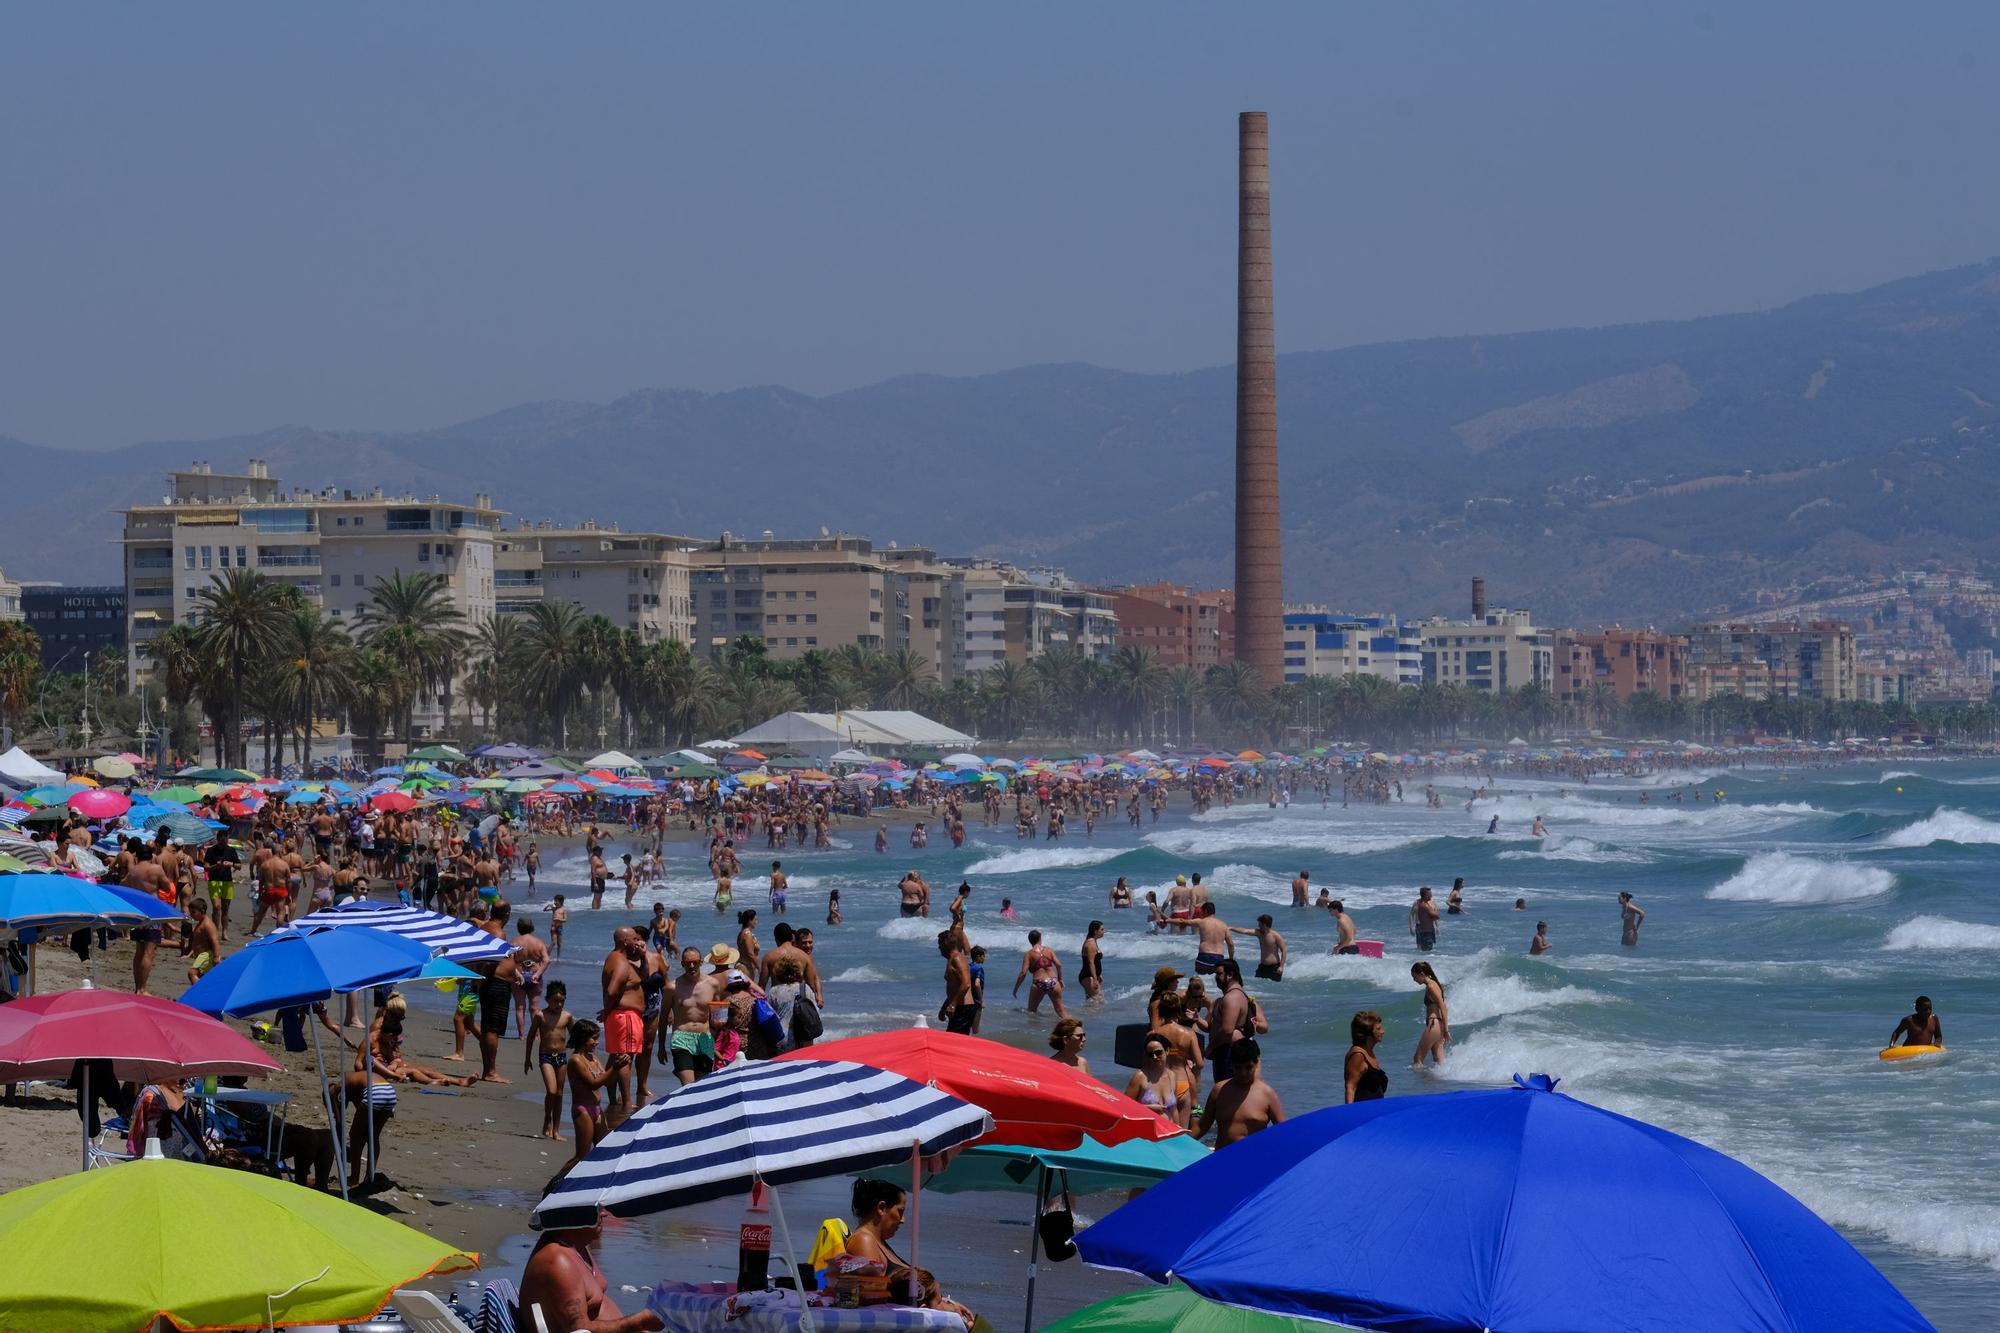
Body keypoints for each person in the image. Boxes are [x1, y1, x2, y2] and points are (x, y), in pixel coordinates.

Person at [519, 1203, 664, 1333]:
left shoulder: (576, 1246)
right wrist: (637, 1323)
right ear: (572, 1210)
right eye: (595, 1207)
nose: (604, 1213)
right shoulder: (558, 1261)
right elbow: (578, 1331)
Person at [1193, 1037, 1284, 1148]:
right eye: (1238, 1068)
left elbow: (1283, 1132)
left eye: (1248, 1067)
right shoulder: (1219, 1090)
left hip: (1254, 1159)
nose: (1243, 1073)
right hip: (1223, 1157)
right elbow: (1202, 1126)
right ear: (1231, 1065)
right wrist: (1179, 1145)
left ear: (1256, 1063)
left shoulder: (1267, 1095)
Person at [599, 928, 648, 1114]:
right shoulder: (620, 962)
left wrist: (643, 956)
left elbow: (642, 977)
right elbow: (612, 991)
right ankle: (627, 1101)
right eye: (635, 938)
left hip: (621, 1016)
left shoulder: (621, 959)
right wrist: (607, 1010)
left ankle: (613, 1098)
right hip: (625, 1016)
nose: (638, 941)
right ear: (625, 941)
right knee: (624, 1058)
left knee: (616, 1057)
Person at [525, 980, 576, 1140]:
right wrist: (527, 1058)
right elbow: (531, 1036)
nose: (559, 1004)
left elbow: (575, 1037)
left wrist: (577, 1056)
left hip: (561, 1057)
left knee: (559, 1094)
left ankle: (556, 1129)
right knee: (552, 1091)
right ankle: (548, 1117)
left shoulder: (567, 1017)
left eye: (562, 1001)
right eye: (555, 1001)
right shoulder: (541, 1015)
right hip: (545, 1056)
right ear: (547, 1000)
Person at [1206, 959, 1267, 1085]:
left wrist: (1210, 1048)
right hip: (1230, 1050)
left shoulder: (1232, 997)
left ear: (1230, 974)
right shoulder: (1241, 996)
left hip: (1228, 1051)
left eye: (1219, 974)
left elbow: (1227, 1030)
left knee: (1226, 1093)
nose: (1216, 978)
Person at [666, 947, 720, 1084]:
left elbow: (718, 1016)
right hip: (681, 1038)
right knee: (688, 1088)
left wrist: (717, 1040)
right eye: (688, 963)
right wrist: (661, 1047)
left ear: (701, 962)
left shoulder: (712, 984)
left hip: (705, 1038)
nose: (691, 966)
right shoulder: (672, 987)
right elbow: (662, 1018)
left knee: (703, 1087)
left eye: (695, 962)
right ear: (682, 964)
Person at [1124, 1032, 1192, 1130]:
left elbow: (1174, 1110)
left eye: (1158, 1052)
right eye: (1150, 1054)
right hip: (1146, 1134)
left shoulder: (1172, 1076)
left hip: (1168, 1133)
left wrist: (1178, 1131)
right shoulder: (1140, 1076)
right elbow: (1124, 1106)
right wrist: (1147, 1108)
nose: (1154, 1057)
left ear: (1167, 1051)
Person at [1012, 929, 1067, 1018]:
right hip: (1053, 981)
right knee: (1060, 1010)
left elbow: (1023, 973)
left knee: (1031, 1012)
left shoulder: (1029, 954)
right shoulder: (1049, 950)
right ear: (1040, 938)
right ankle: (1072, 1028)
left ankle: (1035, 1031)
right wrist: (1060, 979)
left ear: (1029, 941)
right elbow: (1059, 965)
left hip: (1039, 983)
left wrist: (1016, 988)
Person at [1344, 1010, 1388, 1103]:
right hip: (1362, 1111)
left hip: (1374, 1109)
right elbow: (1350, 1088)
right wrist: (1349, 1113)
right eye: (1378, 1029)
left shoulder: (1368, 1051)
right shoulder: (1358, 1055)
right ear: (1368, 1034)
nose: (1383, 1031)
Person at [1411, 961, 1449, 1068]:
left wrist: (1446, 1030)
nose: (1414, 980)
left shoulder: (1431, 986)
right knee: (1439, 1061)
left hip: (1434, 1024)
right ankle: (1438, 1083)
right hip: (1437, 1024)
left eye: (1415, 977)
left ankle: (1419, 1083)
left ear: (1422, 974)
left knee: (1417, 1059)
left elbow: (1443, 1007)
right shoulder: (1432, 984)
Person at [937, 930, 976, 1034]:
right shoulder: (951, 959)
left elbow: (966, 984)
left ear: (945, 944)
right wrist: (944, 1007)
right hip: (958, 1006)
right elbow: (954, 987)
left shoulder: (957, 958)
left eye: (939, 944)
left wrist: (953, 1005)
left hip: (964, 1007)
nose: (939, 948)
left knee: (954, 1041)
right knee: (953, 1040)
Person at [1233, 913, 1286, 981]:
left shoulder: (1275, 936)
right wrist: (1230, 928)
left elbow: (1284, 950)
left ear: (1264, 925)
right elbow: (1244, 931)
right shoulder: (1259, 933)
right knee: (1258, 985)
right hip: (1262, 967)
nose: (1258, 925)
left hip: (1274, 968)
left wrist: (1281, 967)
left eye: (1259, 924)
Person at [180, 898, 221, 985]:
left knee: (192, 973)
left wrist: (216, 956)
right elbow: (196, 939)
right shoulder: (200, 923)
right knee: (201, 977)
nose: (191, 915)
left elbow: (215, 941)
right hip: (200, 955)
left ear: (202, 911)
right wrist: (188, 951)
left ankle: (197, 993)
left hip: (206, 955)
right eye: (190, 912)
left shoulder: (207, 924)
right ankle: (201, 994)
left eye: (193, 912)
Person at [1191, 902, 1233, 977]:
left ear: (1206, 911)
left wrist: (1168, 920)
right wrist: (1231, 959)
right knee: (1217, 979)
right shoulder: (1223, 925)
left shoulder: (1202, 922)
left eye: (1202, 912)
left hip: (1204, 955)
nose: (1201, 915)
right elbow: (1231, 944)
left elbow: (1182, 921)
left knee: (1200, 979)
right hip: (1219, 957)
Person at [1408, 886, 1440, 953]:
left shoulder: (1433, 902)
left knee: (1429, 945)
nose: (1431, 894)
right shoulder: (1417, 902)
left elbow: (1436, 914)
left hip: (1430, 926)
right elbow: (1411, 914)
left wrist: (1437, 926)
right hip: (1419, 926)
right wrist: (1411, 927)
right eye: (1430, 893)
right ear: (1426, 894)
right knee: (1420, 947)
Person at [1079, 919, 1105, 1001]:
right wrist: (1094, 979)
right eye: (1102, 929)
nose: (1104, 931)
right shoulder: (1090, 944)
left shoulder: (1093, 941)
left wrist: (1098, 975)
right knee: (1098, 1001)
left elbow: (1096, 962)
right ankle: (1088, 1014)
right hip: (1088, 976)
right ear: (1095, 931)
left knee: (1093, 1001)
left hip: (1091, 976)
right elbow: (1091, 962)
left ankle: (1087, 1014)